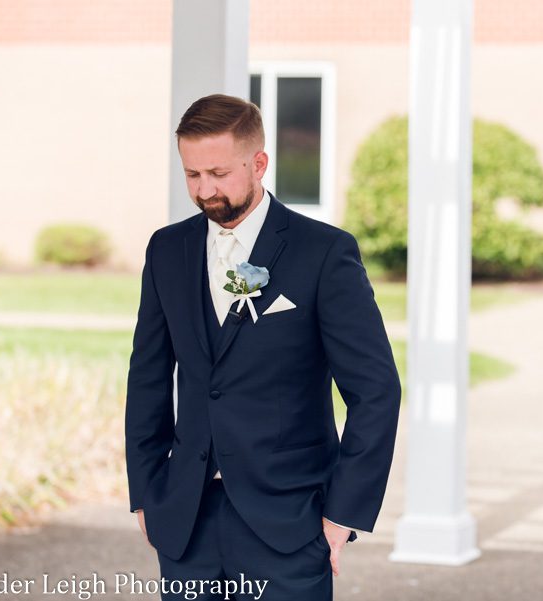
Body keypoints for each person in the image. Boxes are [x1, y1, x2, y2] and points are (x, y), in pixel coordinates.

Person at [125, 93, 401, 601]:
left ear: (258, 163)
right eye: (192, 175)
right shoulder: (166, 250)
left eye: (218, 173)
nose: (205, 190)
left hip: (290, 520)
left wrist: (343, 512)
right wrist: (145, 493)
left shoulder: (324, 252)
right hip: (186, 518)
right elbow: (147, 377)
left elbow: (376, 390)